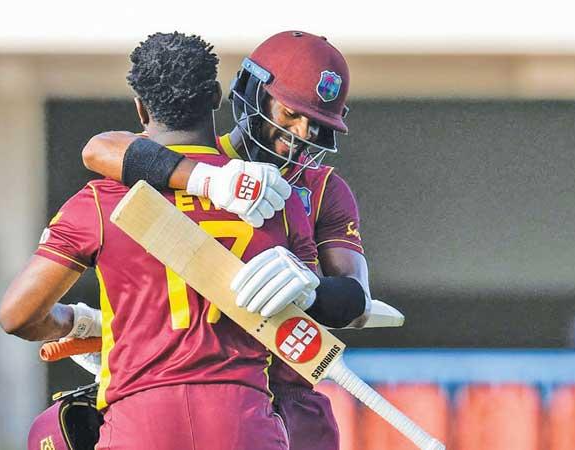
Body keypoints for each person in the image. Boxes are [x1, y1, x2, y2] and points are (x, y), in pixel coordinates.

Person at [0, 32, 323, 450]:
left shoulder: (99, 200)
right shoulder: (274, 197)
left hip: (140, 426)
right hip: (243, 426)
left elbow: (17, 317)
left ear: (139, 108)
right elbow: (312, 336)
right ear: (216, 97)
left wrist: (81, 322)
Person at [79, 31, 371, 450]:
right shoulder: (185, 159)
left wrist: (309, 290)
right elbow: (98, 149)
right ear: (254, 92)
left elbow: (356, 300)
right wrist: (211, 180)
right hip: (196, 391)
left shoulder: (323, 187)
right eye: (290, 113)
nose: (301, 133)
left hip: (287, 396)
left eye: (317, 124)